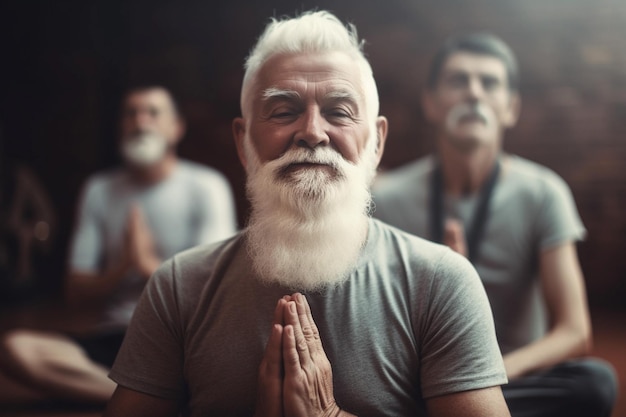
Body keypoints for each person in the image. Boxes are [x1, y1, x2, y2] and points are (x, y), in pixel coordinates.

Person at [103, 11, 512, 417]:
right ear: (244, 143)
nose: (313, 132)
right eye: (283, 111)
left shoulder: (441, 283)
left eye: (339, 111)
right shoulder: (179, 287)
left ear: (376, 144)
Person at [372, 33, 618, 417]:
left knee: (596, 383)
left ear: (511, 107)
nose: (474, 93)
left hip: (510, 379)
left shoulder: (543, 192)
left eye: (489, 83)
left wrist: (486, 380)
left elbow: (574, 331)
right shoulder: (385, 198)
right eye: (458, 81)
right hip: (423, 379)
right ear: (431, 104)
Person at [0, 85, 238, 405]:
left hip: (181, 340)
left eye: (153, 113)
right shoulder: (99, 189)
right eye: (131, 114)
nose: (141, 122)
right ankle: (147, 403)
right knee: (17, 349)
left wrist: (146, 265)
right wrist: (122, 268)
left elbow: (216, 291)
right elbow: (76, 291)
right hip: (116, 338)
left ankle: (138, 401)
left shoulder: (207, 186)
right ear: (121, 126)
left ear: (176, 128)